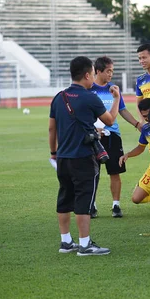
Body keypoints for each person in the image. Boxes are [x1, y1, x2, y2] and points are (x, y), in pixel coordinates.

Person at [49, 56, 120, 256]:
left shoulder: (59, 97)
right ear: (88, 74)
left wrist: (54, 152)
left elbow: (51, 128)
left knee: (64, 197)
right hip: (83, 156)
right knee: (84, 199)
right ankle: (85, 244)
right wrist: (116, 99)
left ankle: (65, 242)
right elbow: (110, 119)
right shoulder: (90, 97)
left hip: (63, 156)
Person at [90, 56, 142, 218]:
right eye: (108, 71)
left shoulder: (114, 89)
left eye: (112, 71)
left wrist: (136, 124)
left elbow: (123, 110)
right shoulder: (88, 89)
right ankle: (91, 205)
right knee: (93, 172)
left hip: (113, 136)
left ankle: (116, 205)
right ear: (98, 71)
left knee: (115, 171)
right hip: (93, 136)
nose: (111, 74)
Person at [119, 98, 150, 208]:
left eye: (148, 115)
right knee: (136, 198)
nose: (147, 119)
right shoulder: (146, 129)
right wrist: (128, 154)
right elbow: (141, 147)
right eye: (144, 117)